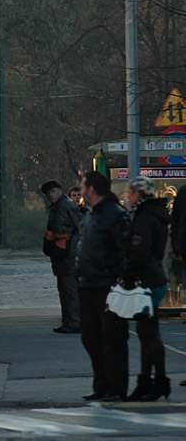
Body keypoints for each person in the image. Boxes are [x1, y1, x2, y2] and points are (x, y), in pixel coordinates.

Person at [75, 170, 131, 402]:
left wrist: (118, 278)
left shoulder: (114, 214)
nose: (80, 190)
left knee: (113, 338)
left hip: (107, 285)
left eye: (83, 185)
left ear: (92, 189)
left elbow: (126, 250)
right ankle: (101, 385)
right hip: (88, 284)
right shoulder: (91, 214)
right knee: (90, 336)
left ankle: (115, 388)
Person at [122, 176, 171, 401]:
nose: (128, 197)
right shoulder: (156, 215)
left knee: (149, 334)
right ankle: (149, 381)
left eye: (131, 193)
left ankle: (156, 381)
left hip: (146, 280)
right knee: (148, 333)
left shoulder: (143, 218)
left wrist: (128, 275)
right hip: (155, 276)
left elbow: (139, 252)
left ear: (138, 195)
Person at [41, 180, 81, 334]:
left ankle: (74, 322)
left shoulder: (68, 205)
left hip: (68, 255)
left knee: (70, 290)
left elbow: (81, 227)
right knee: (64, 289)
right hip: (61, 255)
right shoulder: (57, 207)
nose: (51, 195)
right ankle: (68, 321)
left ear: (59, 190)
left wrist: (73, 247)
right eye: (48, 193)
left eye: (53, 191)